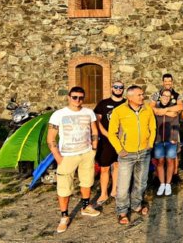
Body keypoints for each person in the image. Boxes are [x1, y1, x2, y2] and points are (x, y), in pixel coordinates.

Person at [47, 86, 100, 234]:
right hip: (67, 156)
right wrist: (58, 157)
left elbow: (94, 130)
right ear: (69, 97)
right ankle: (64, 216)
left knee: (87, 181)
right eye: (74, 97)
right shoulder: (58, 115)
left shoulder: (89, 112)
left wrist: (93, 149)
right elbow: (50, 138)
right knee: (64, 187)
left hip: (86, 153)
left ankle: (85, 206)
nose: (77, 100)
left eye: (81, 97)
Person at [107, 85, 156, 225]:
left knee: (141, 182)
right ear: (129, 97)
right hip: (126, 154)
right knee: (123, 185)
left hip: (144, 152)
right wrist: (119, 149)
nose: (142, 97)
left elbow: (152, 127)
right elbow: (112, 133)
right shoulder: (118, 111)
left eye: (142, 94)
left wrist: (150, 144)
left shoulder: (147, 109)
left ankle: (136, 205)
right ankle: (122, 210)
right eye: (139, 95)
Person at [93, 81, 126, 205]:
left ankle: (114, 191)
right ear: (112, 88)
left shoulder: (126, 103)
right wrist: (107, 134)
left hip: (121, 141)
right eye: (116, 87)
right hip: (106, 141)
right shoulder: (103, 103)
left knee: (117, 166)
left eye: (121, 87)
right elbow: (97, 121)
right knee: (104, 168)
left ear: (123, 89)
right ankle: (103, 194)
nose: (118, 89)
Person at [150, 74, 183, 184]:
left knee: (174, 153)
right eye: (166, 81)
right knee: (158, 155)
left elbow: (179, 107)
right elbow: (151, 108)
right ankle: (157, 176)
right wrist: (170, 112)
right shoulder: (156, 94)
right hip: (159, 128)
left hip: (173, 128)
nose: (168, 83)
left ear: (172, 82)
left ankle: (175, 174)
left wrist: (164, 110)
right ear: (162, 82)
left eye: (170, 81)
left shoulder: (177, 95)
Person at [154, 89, 180, 196]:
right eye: (164, 95)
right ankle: (162, 184)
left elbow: (176, 121)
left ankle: (168, 183)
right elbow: (154, 111)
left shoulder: (174, 108)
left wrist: (174, 137)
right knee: (160, 162)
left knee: (170, 161)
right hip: (158, 140)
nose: (166, 97)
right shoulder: (155, 107)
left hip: (171, 140)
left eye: (168, 96)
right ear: (160, 96)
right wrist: (166, 112)